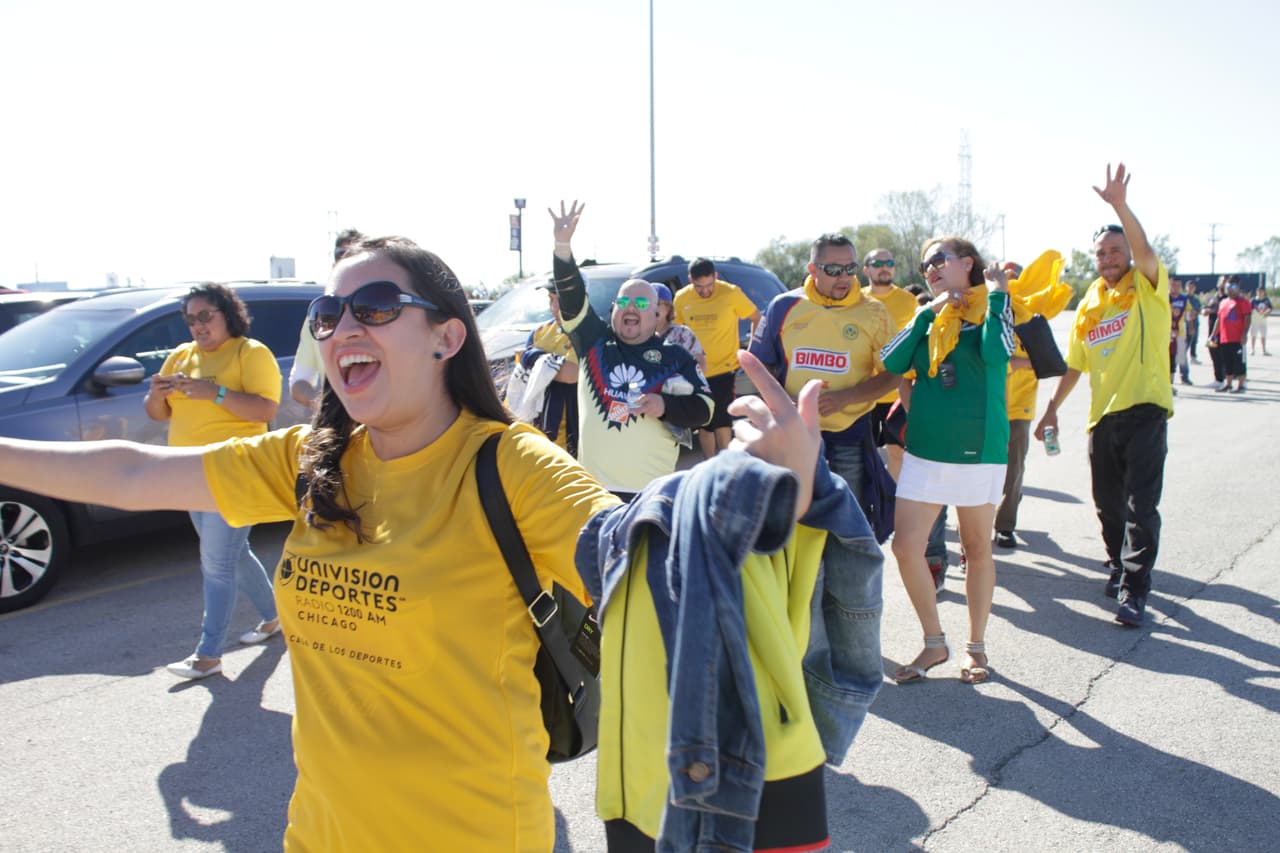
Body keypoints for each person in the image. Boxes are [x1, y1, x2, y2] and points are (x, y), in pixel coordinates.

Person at [3, 236, 622, 850]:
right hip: (321, 832)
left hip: (473, 832)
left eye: (376, 306)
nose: (341, 328)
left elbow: (639, 557)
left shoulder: (513, 466)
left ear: (447, 337)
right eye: (326, 316)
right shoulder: (313, 458)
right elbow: (133, 473)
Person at [749, 231, 897, 749]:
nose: (842, 278)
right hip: (795, 445)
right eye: (832, 269)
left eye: (849, 268)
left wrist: (852, 396)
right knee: (790, 545)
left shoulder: (877, 313)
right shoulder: (785, 306)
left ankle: (843, 661)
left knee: (848, 548)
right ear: (812, 269)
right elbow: (759, 369)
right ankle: (791, 646)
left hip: (850, 441)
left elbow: (896, 374)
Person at [1035, 163, 1172, 627]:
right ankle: (1117, 564)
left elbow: (1146, 248)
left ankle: (1135, 590)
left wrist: (1119, 205)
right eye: (1102, 252)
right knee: (1106, 503)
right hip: (1102, 418)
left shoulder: (1147, 284)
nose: (1110, 257)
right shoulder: (1091, 299)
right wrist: (1050, 410)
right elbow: (1076, 364)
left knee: (1140, 506)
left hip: (1146, 411)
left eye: (1117, 249)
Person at [881, 237, 1014, 684]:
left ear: (967, 263)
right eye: (924, 265)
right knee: (905, 548)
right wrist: (925, 312)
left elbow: (998, 353)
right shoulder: (930, 318)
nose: (930, 268)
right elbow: (894, 361)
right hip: (925, 451)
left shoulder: (994, 307)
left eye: (939, 259)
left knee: (977, 550)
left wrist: (997, 295)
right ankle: (934, 642)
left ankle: (976, 649)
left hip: (979, 451)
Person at [140, 284, 283, 679]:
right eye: (190, 318)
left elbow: (266, 407)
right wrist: (155, 394)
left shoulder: (249, 352)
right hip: (190, 473)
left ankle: (208, 654)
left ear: (227, 314)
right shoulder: (181, 356)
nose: (198, 326)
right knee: (232, 556)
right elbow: (158, 413)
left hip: (235, 472)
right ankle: (273, 619)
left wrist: (214, 393)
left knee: (216, 564)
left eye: (206, 316)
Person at [549, 201, 713, 497]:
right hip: (594, 494)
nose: (631, 308)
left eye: (641, 304)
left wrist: (665, 406)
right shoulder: (593, 340)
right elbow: (571, 297)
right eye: (624, 302)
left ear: (656, 314)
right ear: (613, 310)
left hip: (651, 496)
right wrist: (562, 246)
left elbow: (706, 409)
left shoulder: (676, 356)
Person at [993, 255, 1073, 549]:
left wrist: (1016, 363)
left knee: (1014, 468)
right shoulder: (989, 310)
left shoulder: (1034, 317)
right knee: (981, 469)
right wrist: (1011, 362)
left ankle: (1005, 525)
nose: (1011, 279)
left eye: (1016, 275)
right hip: (986, 402)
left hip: (1019, 404)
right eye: (1006, 275)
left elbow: (1046, 360)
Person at [674, 257, 761, 459]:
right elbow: (677, 332)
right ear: (690, 280)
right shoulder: (681, 298)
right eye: (699, 287)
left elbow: (756, 317)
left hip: (725, 369)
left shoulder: (731, 293)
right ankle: (708, 466)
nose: (705, 291)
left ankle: (725, 463)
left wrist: (750, 352)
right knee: (704, 424)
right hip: (696, 371)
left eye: (709, 285)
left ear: (715, 276)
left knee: (722, 422)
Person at [861, 248, 920, 480]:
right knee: (865, 455)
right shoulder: (858, 300)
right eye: (877, 263)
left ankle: (890, 507)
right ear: (866, 269)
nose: (884, 267)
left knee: (897, 454)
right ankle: (868, 508)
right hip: (864, 393)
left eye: (889, 262)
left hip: (898, 392)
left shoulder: (908, 301)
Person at [290, 228, 365, 406]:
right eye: (342, 253)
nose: (347, 259)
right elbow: (299, 383)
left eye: (356, 253)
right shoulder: (317, 317)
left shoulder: (385, 310)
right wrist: (331, 409)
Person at [504, 281, 580, 456]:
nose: (554, 307)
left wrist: (535, 358)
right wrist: (545, 362)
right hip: (541, 434)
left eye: (560, 300)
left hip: (577, 437)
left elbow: (571, 374)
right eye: (551, 299)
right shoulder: (539, 332)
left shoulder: (588, 333)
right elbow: (525, 379)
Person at [653, 281, 707, 373]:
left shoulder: (683, 334)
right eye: (646, 304)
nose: (652, 308)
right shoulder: (639, 335)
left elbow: (701, 365)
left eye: (656, 303)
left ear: (668, 307)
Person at [1215, 277, 1251, 393]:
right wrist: (1213, 335)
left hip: (1238, 338)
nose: (1230, 290)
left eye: (1233, 287)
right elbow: (1219, 319)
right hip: (1225, 338)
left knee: (1239, 362)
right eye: (1228, 287)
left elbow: (1247, 318)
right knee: (1227, 362)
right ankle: (1228, 384)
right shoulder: (1223, 302)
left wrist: (1244, 334)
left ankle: (1241, 385)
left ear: (1238, 288)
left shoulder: (1243, 302)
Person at [1169, 277, 1192, 388]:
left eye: (1178, 285)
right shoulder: (1165, 298)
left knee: (1181, 356)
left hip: (1180, 332)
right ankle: (1168, 382)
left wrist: (1191, 326)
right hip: (1167, 334)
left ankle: (1185, 377)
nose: (1176, 288)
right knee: (1169, 357)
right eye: (1173, 285)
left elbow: (1189, 314)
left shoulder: (1184, 299)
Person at [1249, 286, 1271, 355]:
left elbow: (1270, 308)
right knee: (1253, 335)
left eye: (1261, 291)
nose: (1260, 293)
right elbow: (1249, 309)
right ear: (1257, 292)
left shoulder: (1266, 300)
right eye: (1259, 291)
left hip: (1263, 321)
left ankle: (1264, 350)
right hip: (1255, 321)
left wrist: (1268, 312)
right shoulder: (1253, 300)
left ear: (1264, 292)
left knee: (1263, 336)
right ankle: (1252, 350)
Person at [1184, 280, 1202, 362]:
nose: (1191, 289)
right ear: (1186, 288)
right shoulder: (1183, 298)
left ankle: (1193, 356)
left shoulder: (1196, 300)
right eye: (1189, 287)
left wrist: (1196, 313)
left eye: (1192, 287)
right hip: (1185, 323)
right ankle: (1182, 356)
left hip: (1195, 322)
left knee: (1194, 340)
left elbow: (1199, 310)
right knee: (1185, 341)